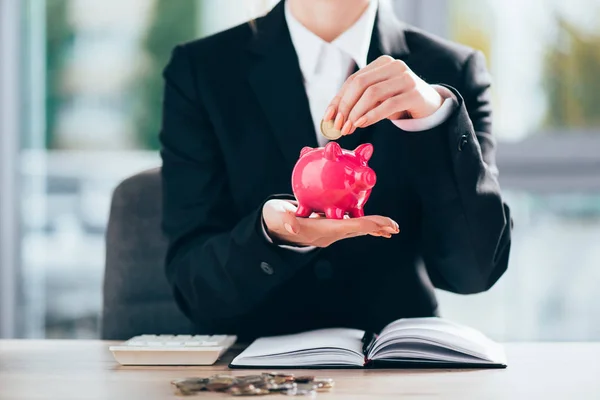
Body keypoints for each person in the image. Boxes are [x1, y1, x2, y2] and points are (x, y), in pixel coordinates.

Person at [159, 0, 512, 341]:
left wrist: (435, 120)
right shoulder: (201, 69)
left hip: (397, 366)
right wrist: (270, 235)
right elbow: (194, 288)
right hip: (249, 369)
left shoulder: (453, 70)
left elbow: (474, 274)